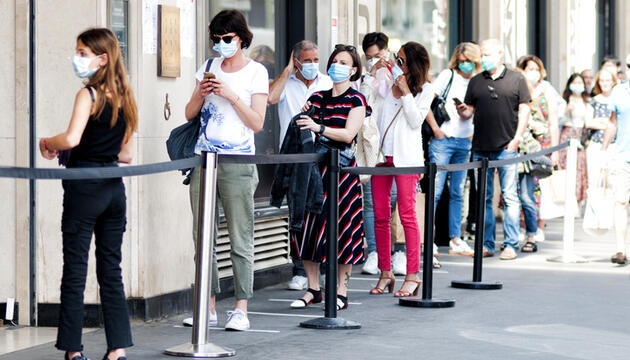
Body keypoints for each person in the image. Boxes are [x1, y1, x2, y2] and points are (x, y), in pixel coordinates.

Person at [39, 28, 137, 360]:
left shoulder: (89, 95)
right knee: (111, 269)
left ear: (102, 58)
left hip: (84, 188)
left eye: (83, 52)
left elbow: (71, 138)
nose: (77, 58)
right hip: (114, 188)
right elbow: (127, 155)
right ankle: (117, 349)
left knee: (75, 269)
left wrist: (47, 143)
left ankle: (73, 350)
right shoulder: (125, 96)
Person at [183, 9, 269, 331]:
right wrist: (201, 94)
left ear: (242, 38)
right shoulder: (207, 68)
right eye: (216, 40)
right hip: (204, 159)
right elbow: (189, 113)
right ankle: (208, 306)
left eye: (227, 39)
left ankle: (241, 308)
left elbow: (257, 122)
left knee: (239, 235)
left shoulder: (256, 72)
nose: (221, 45)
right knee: (202, 235)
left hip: (238, 162)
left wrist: (231, 95)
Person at [289, 44, 369, 310]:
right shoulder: (319, 96)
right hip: (314, 172)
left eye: (344, 62)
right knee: (310, 229)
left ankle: (341, 290)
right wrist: (305, 116)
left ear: (354, 69)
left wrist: (318, 126)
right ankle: (314, 288)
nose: (338, 66)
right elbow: (304, 124)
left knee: (343, 229)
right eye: (335, 61)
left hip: (342, 174)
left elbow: (348, 134)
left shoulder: (356, 100)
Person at [369, 42, 434, 297]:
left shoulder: (426, 89)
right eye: (397, 58)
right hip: (381, 157)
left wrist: (405, 90)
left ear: (414, 65)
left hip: (407, 159)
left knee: (407, 215)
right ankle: (385, 272)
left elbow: (416, 120)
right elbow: (368, 102)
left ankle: (412, 274)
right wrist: (372, 72)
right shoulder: (386, 83)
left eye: (403, 60)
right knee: (380, 215)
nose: (398, 63)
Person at [456, 39, 531, 260]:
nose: (484, 58)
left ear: (500, 54)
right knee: (484, 199)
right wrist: (463, 111)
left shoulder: (516, 79)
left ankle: (510, 244)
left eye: (488, 54)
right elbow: (469, 111)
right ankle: (487, 244)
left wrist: (517, 139)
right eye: (482, 54)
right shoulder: (477, 81)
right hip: (480, 147)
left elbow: (525, 110)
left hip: (507, 146)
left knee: (509, 197)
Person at [268, 40, 332, 290]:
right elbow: (271, 98)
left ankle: (323, 266)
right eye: (307, 60)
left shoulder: (326, 82)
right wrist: (286, 71)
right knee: (298, 212)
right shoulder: (286, 83)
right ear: (296, 61)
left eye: (316, 60)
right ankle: (299, 270)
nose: (313, 65)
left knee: (322, 210)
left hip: (322, 152)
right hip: (294, 154)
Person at [427, 42, 481, 256]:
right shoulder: (447, 76)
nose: (465, 65)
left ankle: (455, 238)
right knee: (436, 191)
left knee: (458, 192)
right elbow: (425, 103)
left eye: (469, 61)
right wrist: (436, 130)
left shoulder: (478, 81)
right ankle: (427, 239)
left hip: (464, 141)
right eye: (461, 61)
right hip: (444, 140)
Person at [358, 32, 398, 275]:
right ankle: (374, 252)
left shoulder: (398, 71)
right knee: (372, 202)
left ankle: (397, 251)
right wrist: (371, 75)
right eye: (369, 57)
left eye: (378, 55)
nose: (375, 60)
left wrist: (393, 70)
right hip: (373, 146)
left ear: (386, 50)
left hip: (397, 145)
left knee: (396, 199)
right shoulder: (366, 78)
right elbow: (361, 102)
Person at [516, 55, 560, 252]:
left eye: (535, 68)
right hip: (520, 145)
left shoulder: (547, 90)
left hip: (540, 145)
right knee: (518, 190)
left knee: (537, 188)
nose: (532, 72)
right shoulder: (519, 87)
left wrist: (555, 150)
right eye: (528, 68)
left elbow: (553, 122)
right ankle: (522, 227)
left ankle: (537, 226)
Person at [602, 67, 630, 265]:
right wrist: (604, 150)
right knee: (620, 201)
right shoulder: (619, 91)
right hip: (622, 156)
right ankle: (621, 249)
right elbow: (613, 122)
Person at [558, 73, 593, 206]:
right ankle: (565, 200)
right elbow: (558, 119)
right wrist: (566, 111)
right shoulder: (565, 100)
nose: (578, 85)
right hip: (567, 133)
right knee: (565, 167)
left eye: (580, 82)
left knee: (580, 168)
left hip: (580, 136)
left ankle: (578, 201)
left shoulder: (587, 101)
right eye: (575, 82)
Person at [586, 69, 617, 190]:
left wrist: (601, 121)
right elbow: (588, 122)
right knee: (594, 182)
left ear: (613, 82)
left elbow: (619, 121)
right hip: (596, 145)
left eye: (608, 80)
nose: (605, 83)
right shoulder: (593, 101)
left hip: (614, 145)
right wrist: (608, 123)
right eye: (602, 80)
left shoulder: (617, 101)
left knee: (612, 182)